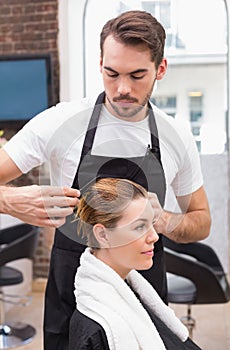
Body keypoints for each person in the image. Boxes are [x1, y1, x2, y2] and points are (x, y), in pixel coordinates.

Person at [0, 10, 211, 350]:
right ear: (100, 63)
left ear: (160, 69)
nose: (122, 88)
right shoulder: (61, 122)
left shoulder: (177, 137)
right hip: (72, 289)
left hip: (144, 288)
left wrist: (165, 219)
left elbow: (202, 222)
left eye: (137, 75)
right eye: (111, 74)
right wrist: (8, 200)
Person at [69, 177, 202, 350]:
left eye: (152, 223)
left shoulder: (137, 295)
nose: (154, 236)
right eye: (140, 227)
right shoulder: (96, 331)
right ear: (103, 235)